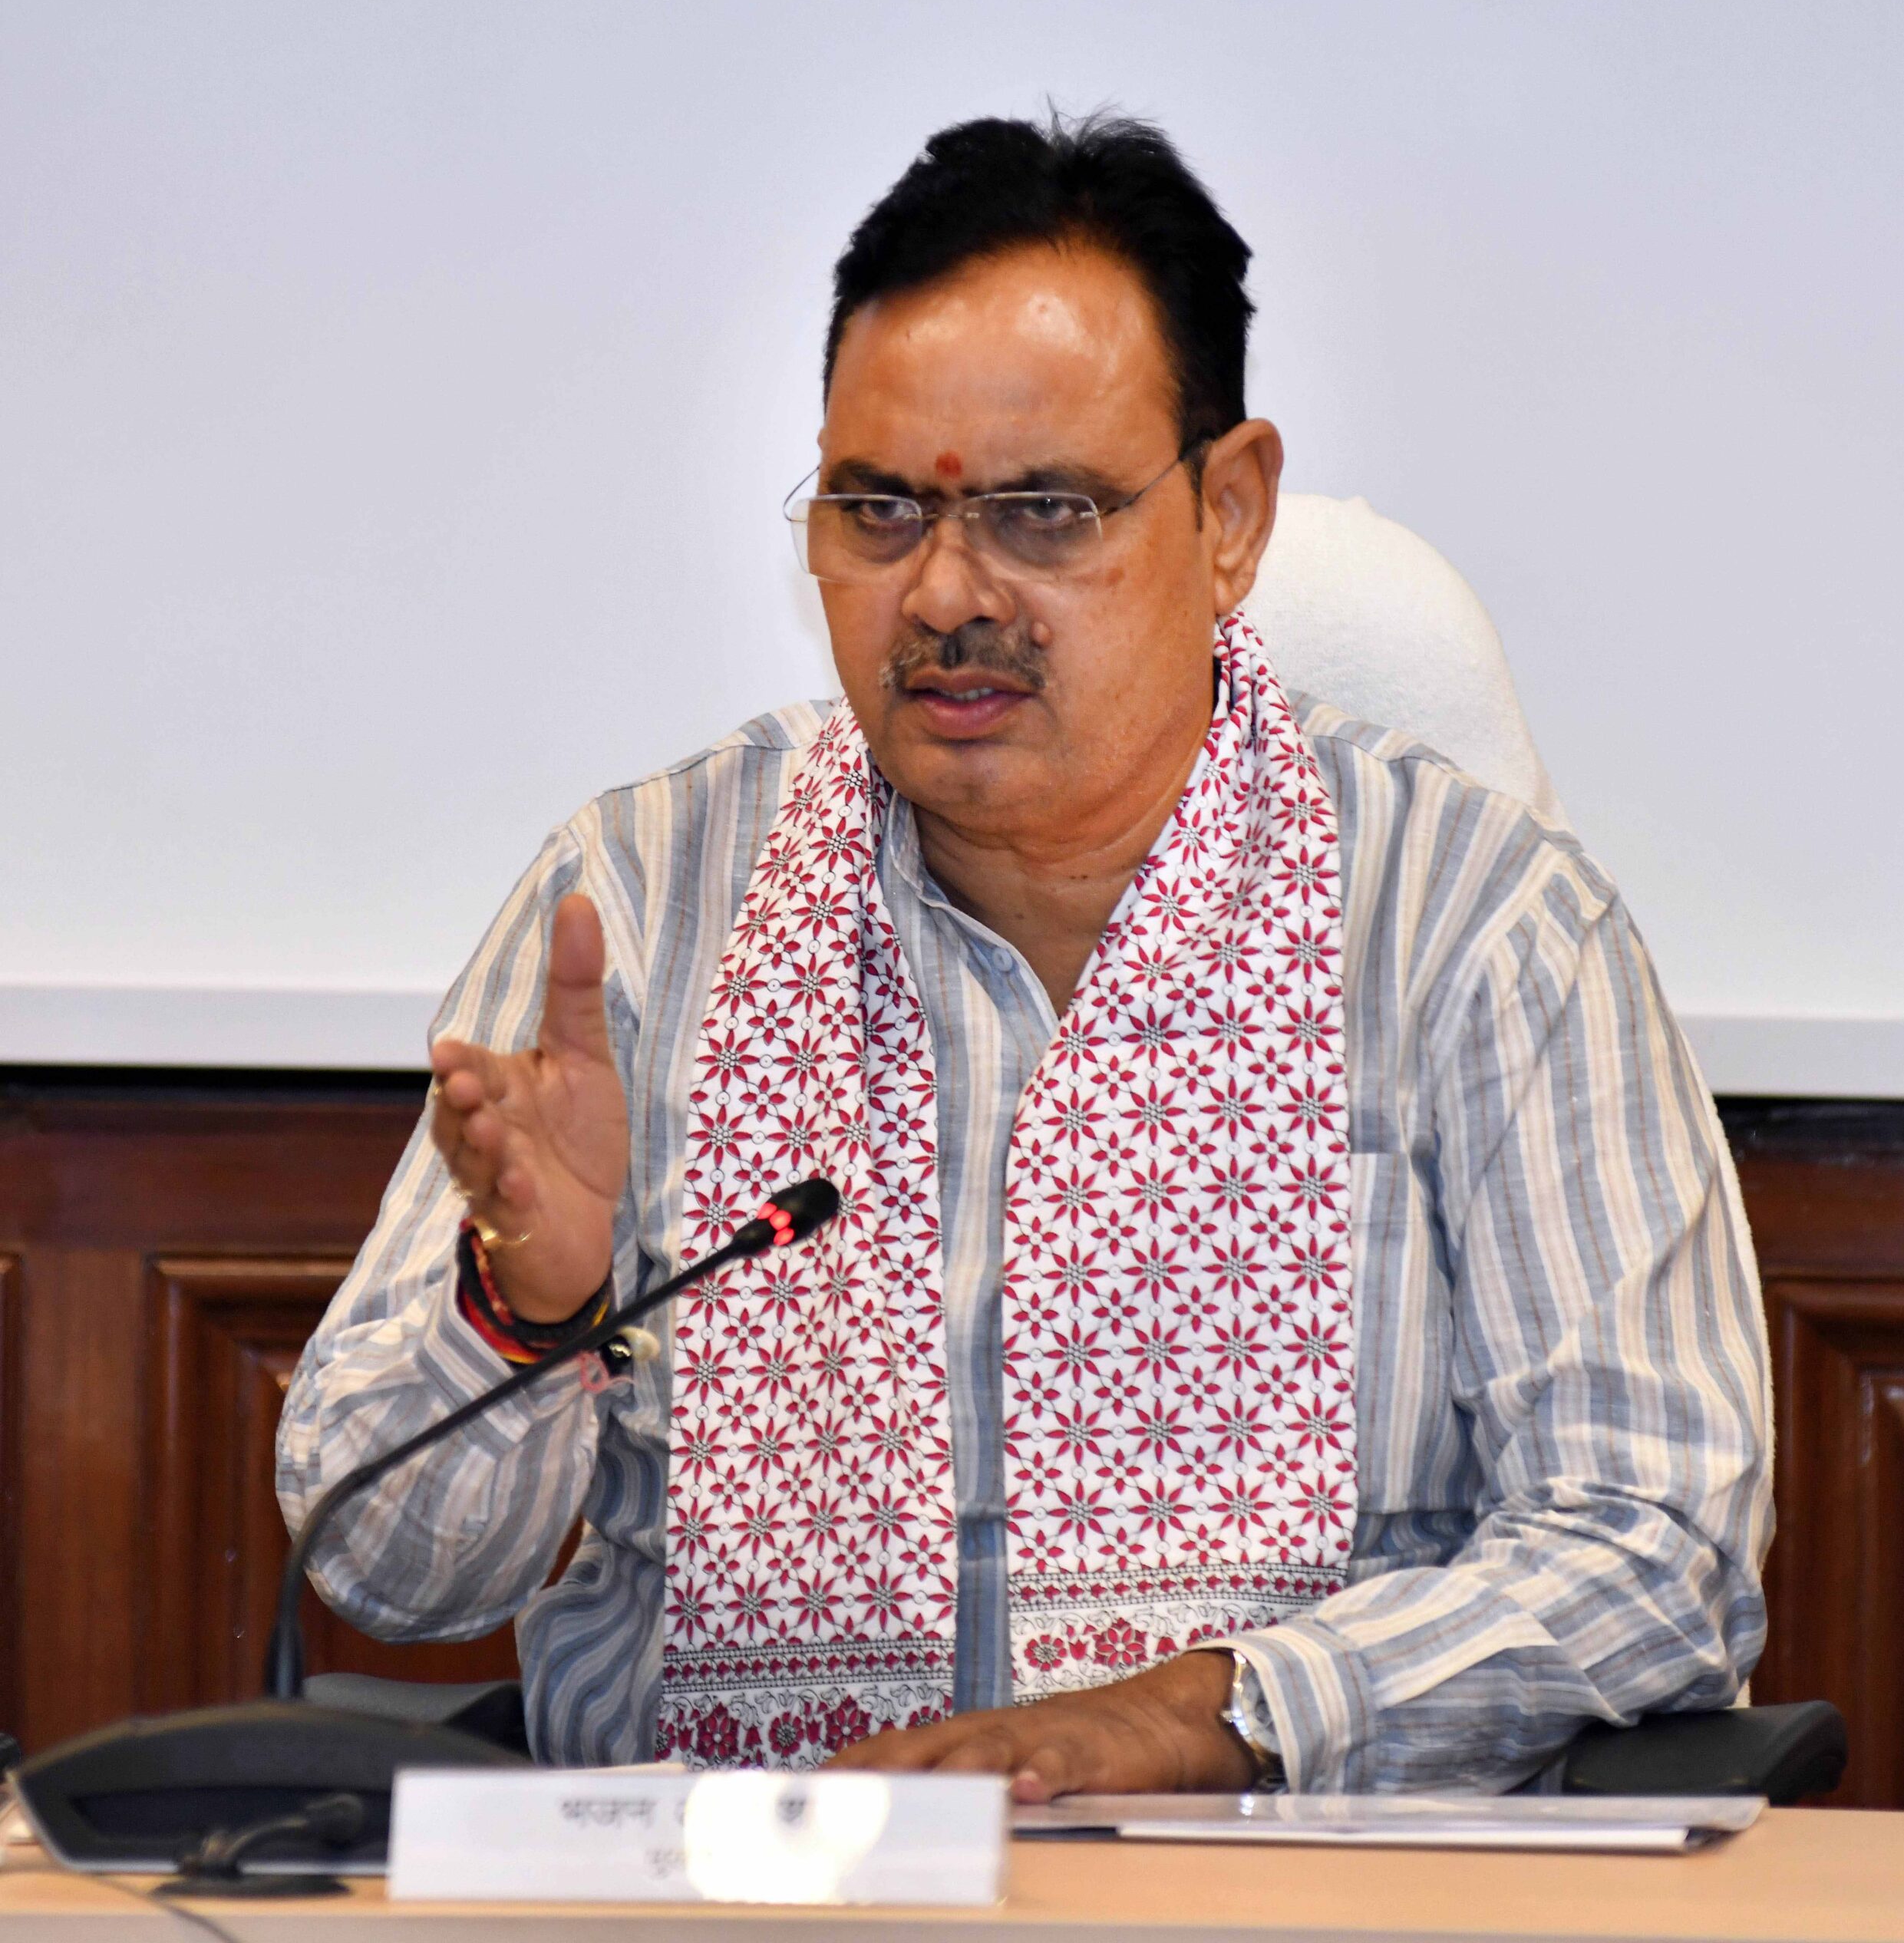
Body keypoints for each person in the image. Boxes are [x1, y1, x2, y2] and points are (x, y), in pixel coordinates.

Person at [278, 113, 1770, 1796]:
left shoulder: (1474, 927)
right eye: (876, 510)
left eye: (1042, 511)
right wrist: (528, 1312)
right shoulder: (631, 913)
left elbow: (1655, 1543)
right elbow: (386, 1569)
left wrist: (1195, 1716)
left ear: (1228, 514)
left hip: (1306, 1893)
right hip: (733, 1889)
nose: (943, 594)